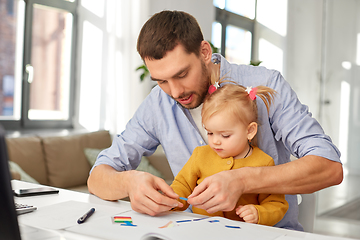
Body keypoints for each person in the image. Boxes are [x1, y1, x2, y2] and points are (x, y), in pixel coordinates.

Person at [87, 10, 343, 231]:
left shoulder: (267, 85)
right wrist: (129, 183)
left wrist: (243, 180)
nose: (175, 92)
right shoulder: (157, 104)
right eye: (162, 81)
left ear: (205, 52)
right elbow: (97, 177)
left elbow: (329, 168)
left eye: (182, 74)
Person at [171, 82, 289, 226]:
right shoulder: (200, 155)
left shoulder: (264, 162)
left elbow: (276, 203)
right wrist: (170, 200)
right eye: (209, 133)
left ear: (250, 131)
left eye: (225, 135)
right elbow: (182, 185)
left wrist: (258, 212)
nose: (215, 141)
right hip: (203, 232)